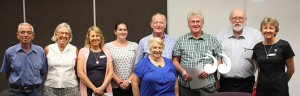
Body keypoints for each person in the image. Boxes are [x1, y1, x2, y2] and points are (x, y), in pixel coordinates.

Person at [172, 11, 222, 96]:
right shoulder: (180, 40)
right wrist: (182, 71)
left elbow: (219, 60)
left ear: (202, 23)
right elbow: (175, 61)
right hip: (186, 86)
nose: (195, 24)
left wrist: (209, 71)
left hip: (207, 86)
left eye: (198, 21)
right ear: (188, 24)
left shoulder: (212, 40)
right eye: (192, 21)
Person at [216, 8, 263, 93]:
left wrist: (259, 79)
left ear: (245, 19)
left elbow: (261, 61)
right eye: (234, 18)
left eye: (240, 18)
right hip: (225, 83)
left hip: (247, 83)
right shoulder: (221, 34)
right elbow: (217, 58)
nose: (237, 21)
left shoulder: (256, 36)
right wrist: (215, 79)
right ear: (230, 19)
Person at [0, 23, 47, 96]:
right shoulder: (9, 52)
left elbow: (42, 72)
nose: (26, 35)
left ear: (33, 36)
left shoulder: (40, 51)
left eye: (29, 32)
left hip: (35, 92)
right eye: (22, 32)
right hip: (15, 92)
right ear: (18, 35)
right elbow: (6, 72)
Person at [252, 17, 295, 96]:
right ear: (261, 30)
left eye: (271, 28)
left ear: (276, 30)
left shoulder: (284, 45)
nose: (268, 30)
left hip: (279, 90)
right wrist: (258, 80)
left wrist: (282, 82)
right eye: (265, 28)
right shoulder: (257, 47)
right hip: (262, 89)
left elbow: (291, 70)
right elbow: (259, 68)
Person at [43, 23, 79, 96]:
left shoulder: (74, 49)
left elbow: (77, 70)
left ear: (70, 36)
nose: (64, 36)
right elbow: (43, 69)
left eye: (66, 33)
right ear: (56, 34)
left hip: (71, 87)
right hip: (51, 88)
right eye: (61, 33)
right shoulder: (48, 49)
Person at [77, 26, 113, 96]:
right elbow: (80, 73)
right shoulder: (82, 51)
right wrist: (94, 88)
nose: (95, 38)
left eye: (97, 36)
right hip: (88, 90)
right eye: (92, 36)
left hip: (104, 90)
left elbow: (110, 72)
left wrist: (102, 87)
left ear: (101, 37)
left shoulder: (106, 51)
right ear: (88, 38)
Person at [104, 21, 138, 96]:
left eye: (124, 30)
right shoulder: (107, 46)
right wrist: (119, 81)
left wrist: (128, 81)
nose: (122, 32)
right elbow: (107, 66)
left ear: (127, 31)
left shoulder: (135, 46)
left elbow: (138, 66)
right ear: (115, 32)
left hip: (132, 85)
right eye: (120, 30)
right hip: (114, 86)